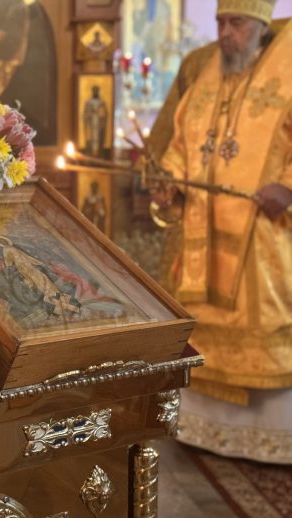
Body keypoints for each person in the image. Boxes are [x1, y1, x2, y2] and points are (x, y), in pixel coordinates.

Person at [153, 0, 292, 463]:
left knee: (262, 315)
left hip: (264, 236)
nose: (225, 33)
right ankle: (203, 431)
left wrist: (288, 187)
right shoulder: (206, 72)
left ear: (261, 25)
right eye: (220, 22)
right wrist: (170, 180)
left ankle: (271, 439)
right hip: (204, 232)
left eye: (237, 23)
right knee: (199, 321)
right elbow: (180, 144)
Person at [82, 85, 109, 158]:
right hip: (91, 125)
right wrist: (90, 114)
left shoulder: (102, 102)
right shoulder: (89, 102)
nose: (95, 92)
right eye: (94, 91)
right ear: (92, 92)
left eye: (97, 91)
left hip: (99, 124)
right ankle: (91, 154)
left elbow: (105, 114)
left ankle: (99, 154)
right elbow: (85, 114)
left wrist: (101, 116)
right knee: (91, 139)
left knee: (99, 139)